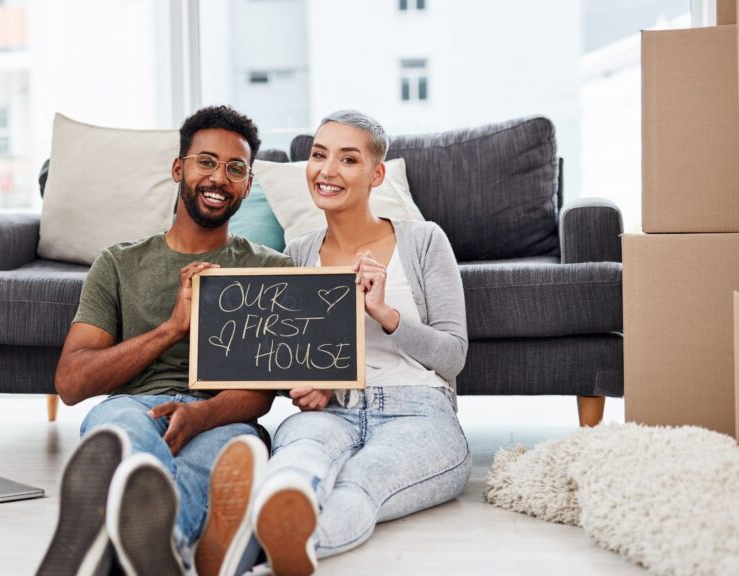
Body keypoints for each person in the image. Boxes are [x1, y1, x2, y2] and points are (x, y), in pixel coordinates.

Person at [35, 105, 291, 576]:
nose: (220, 177)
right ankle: (155, 547)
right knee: (118, 434)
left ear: (249, 184)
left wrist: (201, 415)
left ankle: (126, 545)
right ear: (179, 168)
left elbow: (263, 391)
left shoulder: (273, 271)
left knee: (226, 460)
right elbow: (71, 382)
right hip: (135, 405)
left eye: (236, 168)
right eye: (206, 162)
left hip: (221, 416)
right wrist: (172, 328)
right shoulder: (117, 264)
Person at [248, 110, 471, 575]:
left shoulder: (424, 241)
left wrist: (386, 314)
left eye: (348, 160)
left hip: (418, 410)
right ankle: (244, 541)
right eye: (318, 155)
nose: (327, 171)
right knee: (296, 462)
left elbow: (453, 357)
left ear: (376, 174)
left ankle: (279, 556)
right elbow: (294, 355)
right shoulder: (298, 255)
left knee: (359, 483)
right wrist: (311, 383)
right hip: (333, 411)